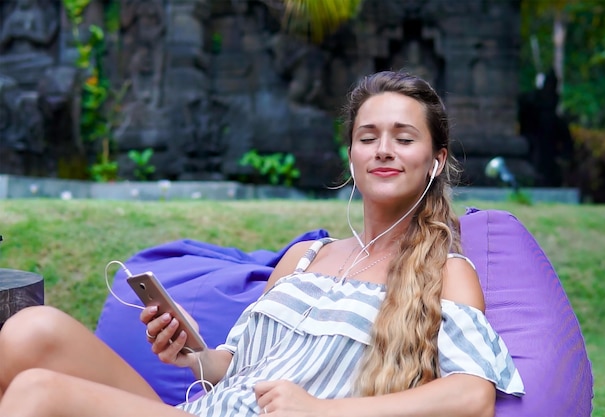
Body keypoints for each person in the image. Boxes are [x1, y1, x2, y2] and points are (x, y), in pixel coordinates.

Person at [0, 70, 524, 416]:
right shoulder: (305, 258)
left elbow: (472, 395)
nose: (383, 149)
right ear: (351, 157)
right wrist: (190, 353)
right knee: (31, 328)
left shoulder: (446, 272)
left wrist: (320, 410)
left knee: (37, 392)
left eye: (404, 138)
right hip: (208, 409)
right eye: (368, 137)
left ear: (435, 160)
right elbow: (236, 372)